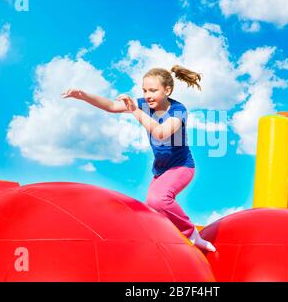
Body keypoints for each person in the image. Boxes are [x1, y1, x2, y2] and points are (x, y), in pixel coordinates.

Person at [61, 65, 216, 251]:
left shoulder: (178, 110)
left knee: (158, 200)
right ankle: (167, 239)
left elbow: (161, 133)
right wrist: (83, 95)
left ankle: (192, 234)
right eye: (144, 90)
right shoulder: (143, 104)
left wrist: (135, 111)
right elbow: (111, 106)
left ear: (167, 90)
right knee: (151, 209)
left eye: (153, 90)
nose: (148, 95)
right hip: (160, 171)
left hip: (182, 167)